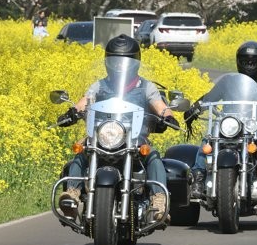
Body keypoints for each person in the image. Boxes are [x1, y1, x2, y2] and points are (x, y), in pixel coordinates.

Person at [58, 34, 177, 222]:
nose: (120, 66)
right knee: (82, 152)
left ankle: (158, 201)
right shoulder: (100, 85)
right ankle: (72, 195)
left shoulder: (146, 86)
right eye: (115, 61)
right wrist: (72, 112)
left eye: (125, 62)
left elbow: (160, 106)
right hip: (104, 136)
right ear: (108, 61)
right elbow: (84, 102)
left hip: (134, 138)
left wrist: (168, 117)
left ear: (135, 63)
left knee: (153, 157)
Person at [187, 40, 257, 199]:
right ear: (238, 62)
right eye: (246, 61)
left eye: (254, 62)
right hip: (228, 129)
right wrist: (195, 107)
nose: (250, 64)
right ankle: (198, 180)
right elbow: (209, 98)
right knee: (207, 142)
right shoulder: (228, 83)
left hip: (255, 130)